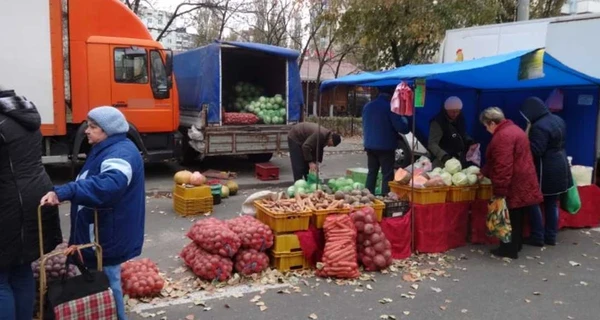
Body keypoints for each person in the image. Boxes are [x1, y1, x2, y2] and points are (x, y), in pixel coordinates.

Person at [41, 106, 145, 320]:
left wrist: (66, 191)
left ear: (109, 130)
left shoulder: (120, 154)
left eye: (93, 127)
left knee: (108, 282)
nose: (86, 131)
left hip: (107, 234)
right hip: (103, 230)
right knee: (105, 279)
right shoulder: (107, 148)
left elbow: (108, 186)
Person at [0, 88, 62, 320]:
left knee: (1, 277)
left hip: (9, 201)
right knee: (22, 266)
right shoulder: (25, 115)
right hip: (35, 194)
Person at [479, 107, 542, 259]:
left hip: (514, 181)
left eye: (486, 126)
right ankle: (516, 244)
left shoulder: (502, 137)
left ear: (492, 123)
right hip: (524, 178)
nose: (486, 129)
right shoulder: (514, 129)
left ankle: (508, 249)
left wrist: (500, 189)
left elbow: (503, 164)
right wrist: (485, 171)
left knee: (509, 216)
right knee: (518, 214)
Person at [520, 97, 573, 247]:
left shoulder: (539, 127)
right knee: (552, 203)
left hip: (546, 169)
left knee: (534, 202)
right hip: (561, 165)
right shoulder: (558, 120)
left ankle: (537, 236)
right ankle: (551, 236)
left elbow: (536, 150)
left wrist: (526, 138)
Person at [362, 87, 410, 195]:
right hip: (385, 146)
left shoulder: (368, 106)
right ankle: (385, 198)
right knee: (387, 174)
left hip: (370, 145)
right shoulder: (391, 108)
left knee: (372, 173)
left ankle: (368, 197)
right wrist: (406, 119)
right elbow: (402, 128)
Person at [428, 96, 475, 167]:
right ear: (446, 110)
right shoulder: (438, 122)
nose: (455, 114)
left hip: (459, 157)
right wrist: (443, 156)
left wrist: (469, 140)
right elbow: (432, 143)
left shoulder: (460, 118)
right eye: (452, 112)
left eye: (457, 111)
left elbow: (461, 133)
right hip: (443, 160)